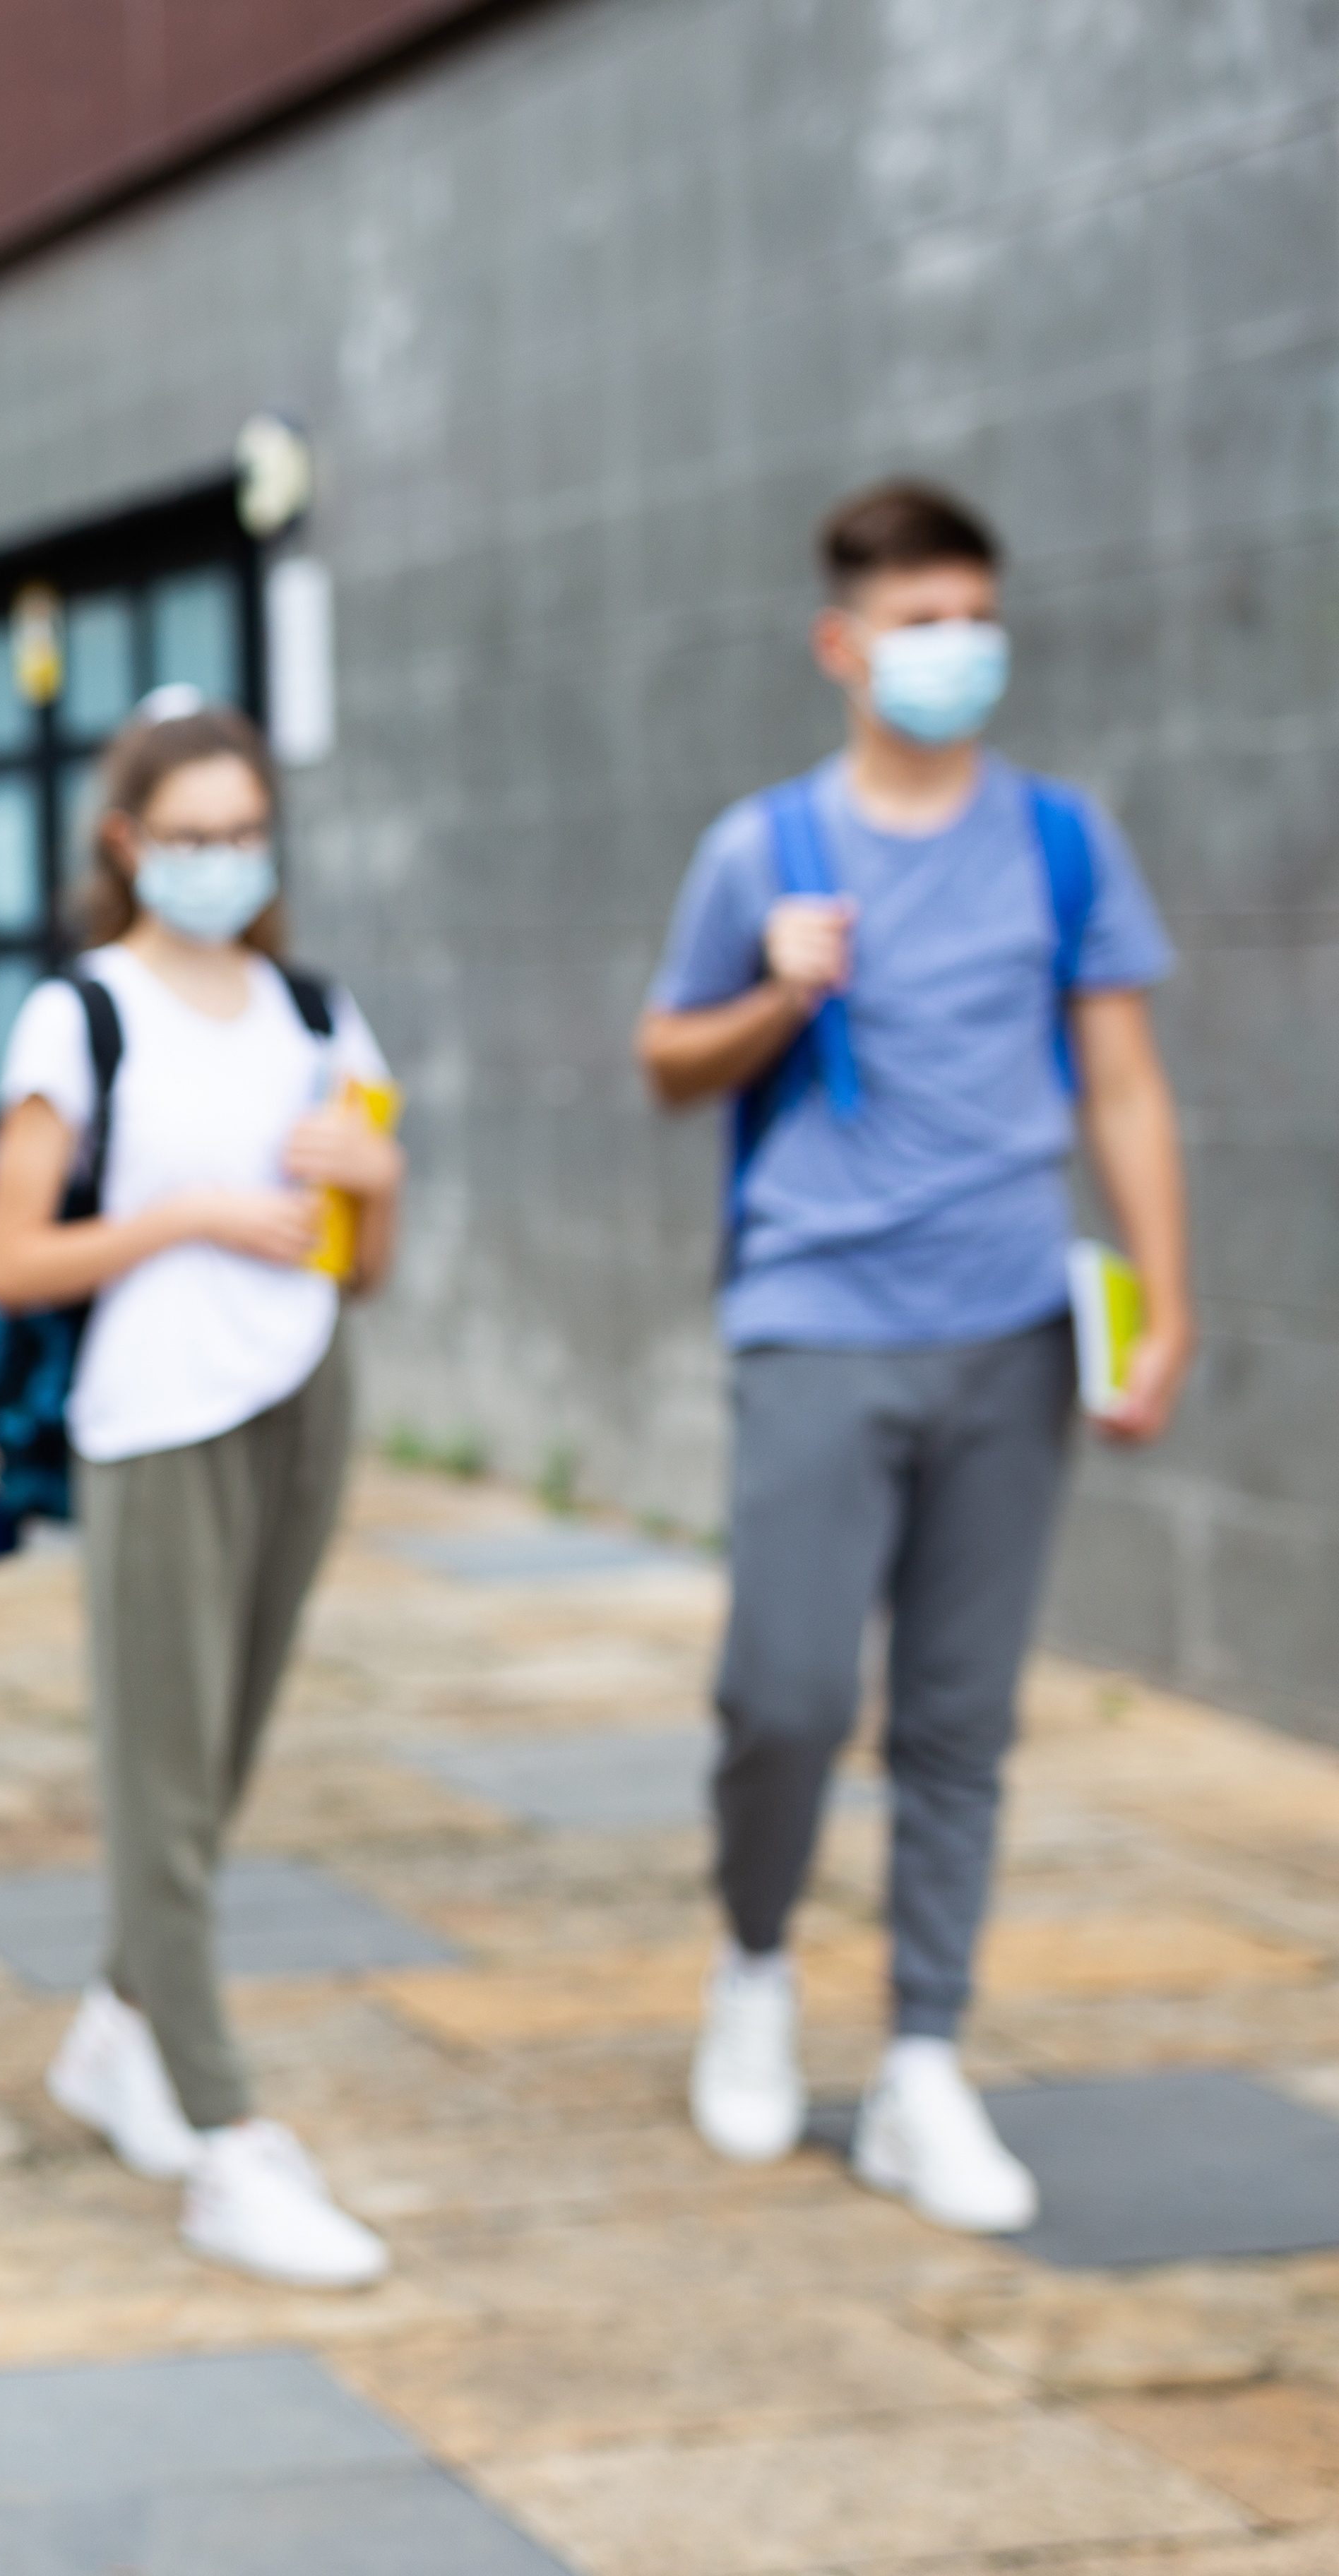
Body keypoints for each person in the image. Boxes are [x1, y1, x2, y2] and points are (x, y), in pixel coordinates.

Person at [638, 480, 1189, 2234]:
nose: (954, 649)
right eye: (918, 620)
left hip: (1009, 1324)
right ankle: (748, 1967)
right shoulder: (761, 851)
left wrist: (1160, 1300)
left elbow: (1117, 1078)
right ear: (841, 643)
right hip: (812, 1320)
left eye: (972, 616)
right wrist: (773, 993)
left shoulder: (1056, 839)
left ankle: (921, 2063)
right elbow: (663, 1063)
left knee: (957, 1718)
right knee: (783, 1695)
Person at [0, 699, 403, 2291]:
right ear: (127, 841)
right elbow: (10, 1257)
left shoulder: (312, 1009)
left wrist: (380, 1186)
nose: (222, 860)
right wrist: (194, 1217)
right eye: (192, 833)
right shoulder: (83, 1015)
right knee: (164, 1777)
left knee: (218, 1764)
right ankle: (229, 2140)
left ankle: (116, 2033)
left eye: (244, 832)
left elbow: (373, 1255)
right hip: (156, 1412)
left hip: (303, 1393)